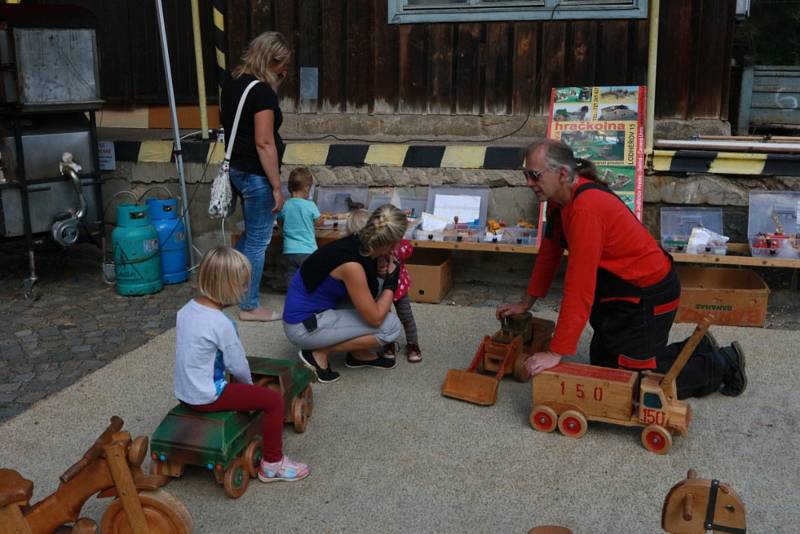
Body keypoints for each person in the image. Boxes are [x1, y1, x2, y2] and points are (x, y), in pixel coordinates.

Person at [496, 139, 747, 399]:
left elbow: (579, 286)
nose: (528, 183)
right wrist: (525, 304)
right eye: (526, 175)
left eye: (534, 175)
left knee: (627, 388)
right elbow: (549, 254)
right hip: (621, 293)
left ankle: (722, 363)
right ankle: (697, 349)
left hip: (647, 297)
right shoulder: (560, 200)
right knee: (604, 369)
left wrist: (555, 351)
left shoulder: (585, 209)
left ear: (561, 174)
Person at [174, 246, 309, 482]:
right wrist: (250, 388)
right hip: (208, 396)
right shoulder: (221, 323)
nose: (246, 289)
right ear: (225, 286)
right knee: (273, 401)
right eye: (243, 284)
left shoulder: (186, 311)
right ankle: (272, 464)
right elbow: (237, 365)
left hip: (184, 392)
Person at [283, 204, 405, 384]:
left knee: (377, 287)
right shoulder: (352, 266)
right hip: (302, 327)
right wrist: (392, 280)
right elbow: (376, 318)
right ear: (391, 243)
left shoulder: (357, 242)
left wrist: (379, 270)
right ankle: (318, 352)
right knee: (391, 326)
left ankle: (358, 353)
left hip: (311, 315)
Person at [221, 31, 291, 322]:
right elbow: (264, 142)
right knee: (259, 242)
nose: (284, 72)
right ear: (270, 60)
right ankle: (250, 305)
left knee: (249, 236)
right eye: (282, 65)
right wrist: (277, 186)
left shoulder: (233, 83)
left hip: (236, 169)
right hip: (255, 174)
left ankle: (222, 289)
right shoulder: (262, 92)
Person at [378, 241, 422, 363]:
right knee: (384, 317)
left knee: (406, 317)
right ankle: (388, 343)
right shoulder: (376, 243)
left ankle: (413, 344)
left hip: (399, 287)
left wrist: (392, 250)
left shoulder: (400, 243)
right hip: (381, 287)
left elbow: (407, 251)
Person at [278, 167, 320, 288]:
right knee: (309, 274)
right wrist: (320, 220)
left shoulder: (285, 205)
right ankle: (307, 295)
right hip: (308, 249)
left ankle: (292, 294)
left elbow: (280, 221)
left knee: (291, 273)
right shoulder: (310, 205)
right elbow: (318, 222)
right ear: (307, 188)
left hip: (289, 250)